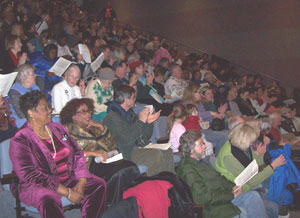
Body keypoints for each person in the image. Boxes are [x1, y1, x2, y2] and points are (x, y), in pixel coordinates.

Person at [9, 90, 106, 218]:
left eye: (49, 106)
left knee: (98, 185)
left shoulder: (57, 128)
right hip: (36, 186)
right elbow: (31, 176)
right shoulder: (21, 139)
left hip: (67, 178)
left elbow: (77, 154)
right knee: (48, 198)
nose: (50, 110)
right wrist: (67, 193)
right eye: (45, 108)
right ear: (31, 113)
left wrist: (82, 182)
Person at [60, 98, 140, 206]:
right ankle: (111, 206)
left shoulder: (94, 128)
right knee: (119, 173)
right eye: (83, 112)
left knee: (131, 167)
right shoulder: (65, 132)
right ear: (73, 116)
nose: (88, 114)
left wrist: (102, 128)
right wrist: (92, 152)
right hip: (86, 165)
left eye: (89, 111)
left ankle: (128, 204)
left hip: (105, 160)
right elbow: (65, 154)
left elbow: (113, 146)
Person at [177, 130, 269, 218]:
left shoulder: (202, 162)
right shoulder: (187, 169)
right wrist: (231, 195)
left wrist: (233, 187)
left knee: (253, 196)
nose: (204, 146)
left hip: (223, 198)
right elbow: (202, 198)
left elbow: (220, 178)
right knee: (243, 213)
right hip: (212, 208)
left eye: (203, 143)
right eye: (201, 144)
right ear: (191, 150)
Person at [103, 85, 175, 176]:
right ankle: (156, 186)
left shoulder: (129, 114)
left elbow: (144, 138)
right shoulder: (112, 117)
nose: (135, 100)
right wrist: (141, 121)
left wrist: (148, 123)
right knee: (155, 155)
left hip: (135, 148)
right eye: (133, 97)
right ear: (126, 100)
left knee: (167, 151)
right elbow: (128, 140)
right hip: (124, 153)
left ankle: (170, 181)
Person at [215, 122, 284, 218]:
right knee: (273, 207)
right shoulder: (229, 157)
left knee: (276, 199)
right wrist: (273, 166)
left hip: (247, 183)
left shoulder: (239, 146)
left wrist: (269, 156)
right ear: (244, 140)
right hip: (239, 189)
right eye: (251, 141)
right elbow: (252, 181)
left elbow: (255, 161)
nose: (253, 143)